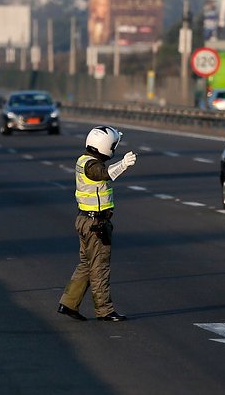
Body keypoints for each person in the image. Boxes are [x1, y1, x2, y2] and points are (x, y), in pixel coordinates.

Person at [58, 126, 137, 322]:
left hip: (86, 220)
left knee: (86, 264)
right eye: (113, 145)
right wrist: (123, 165)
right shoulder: (92, 166)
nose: (114, 149)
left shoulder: (82, 160)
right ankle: (104, 310)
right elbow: (104, 173)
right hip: (95, 224)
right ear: (104, 145)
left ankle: (68, 303)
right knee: (99, 267)